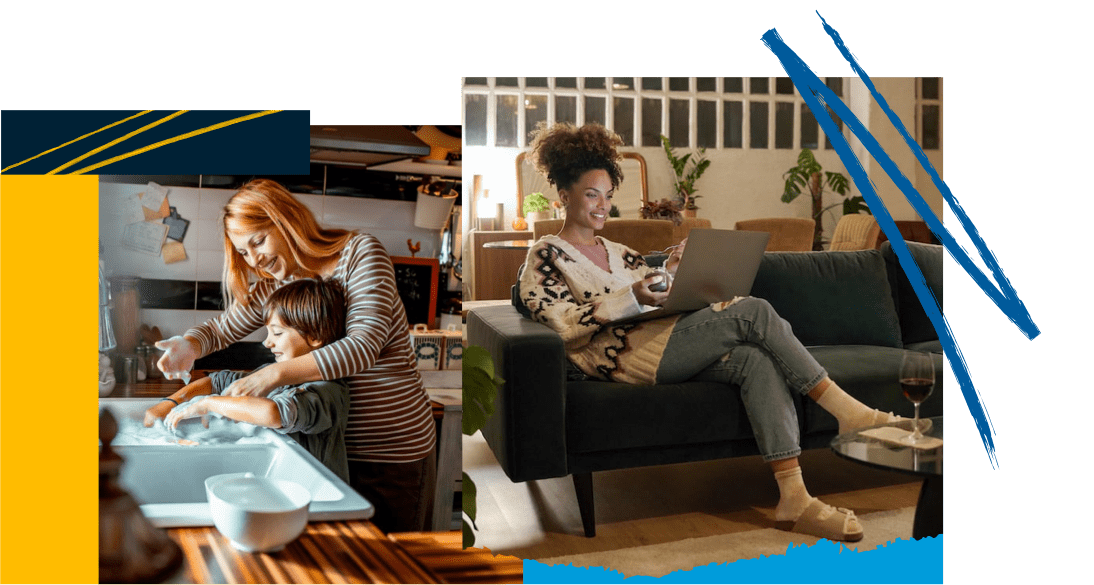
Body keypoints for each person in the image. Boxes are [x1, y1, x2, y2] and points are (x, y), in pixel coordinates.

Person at [518, 123, 914, 542]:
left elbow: (656, 293)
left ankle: (793, 498)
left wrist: (674, 271)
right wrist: (630, 298)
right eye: (591, 194)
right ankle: (850, 413)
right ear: (564, 195)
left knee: (754, 361)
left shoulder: (620, 252)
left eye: (608, 195)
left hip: (665, 340)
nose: (602, 205)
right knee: (753, 311)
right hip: (626, 359)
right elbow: (560, 322)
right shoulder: (546, 254)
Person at [153, 179, 436, 533]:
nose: (254, 259)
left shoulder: (360, 253)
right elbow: (221, 329)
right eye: (243, 251)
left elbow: (364, 346)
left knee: (394, 565)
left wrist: (272, 374)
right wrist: (189, 345)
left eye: (258, 241)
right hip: (329, 452)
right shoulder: (276, 283)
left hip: (389, 449)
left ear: (287, 221)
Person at [144, 278, 351, 481]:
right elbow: (217, 381)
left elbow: (275, 413)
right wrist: (170, 403)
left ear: (315, 336)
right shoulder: (272, 372)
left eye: (277, 333)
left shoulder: (328, 390)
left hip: (316, 500)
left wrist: (209, 404)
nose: (267, 342)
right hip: (280, 484)